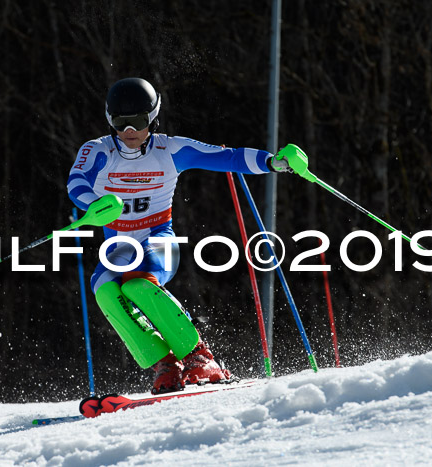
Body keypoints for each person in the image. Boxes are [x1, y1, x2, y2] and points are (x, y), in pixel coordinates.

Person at [67, 77, 312, 394]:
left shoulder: (170, 149)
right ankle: (165, 364)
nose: (129, 132)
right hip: (118, 247)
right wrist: (92, 204)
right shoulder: (98, 151)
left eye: (138, 122)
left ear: (153, 117)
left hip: (158, 241)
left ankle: (199, 355)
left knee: (139, 284)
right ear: (109, 119)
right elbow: (77, 181)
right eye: (120, 122)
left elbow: (228, 157)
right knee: (103, 290)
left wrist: (274, 162)